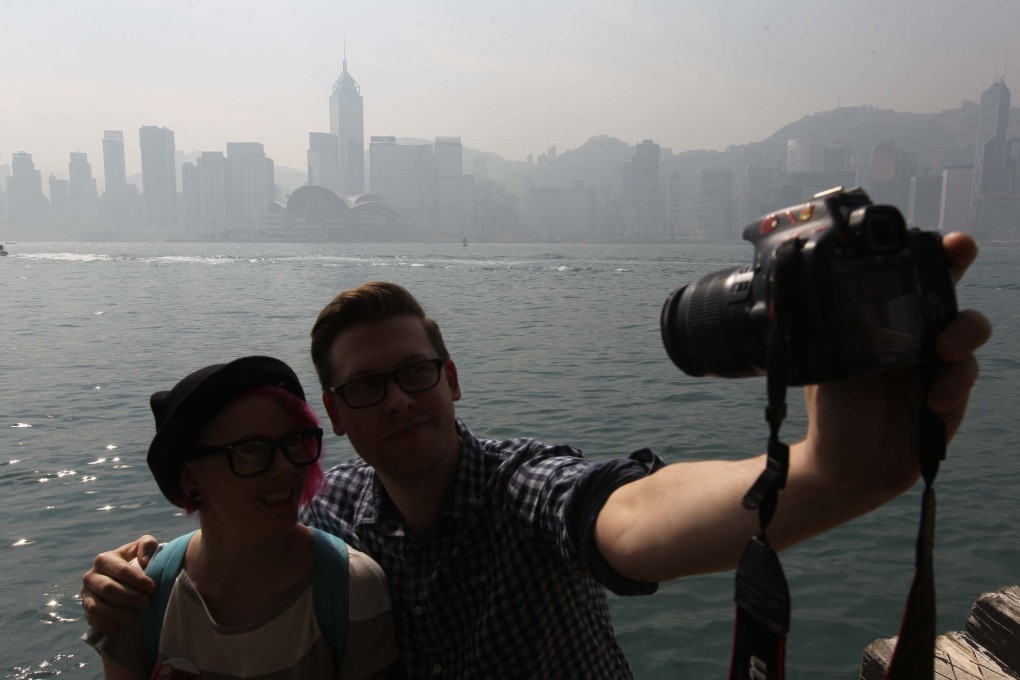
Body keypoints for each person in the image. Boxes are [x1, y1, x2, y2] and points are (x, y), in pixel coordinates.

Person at [82, 233, 992, 678]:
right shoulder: (336, 511)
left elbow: (626, 518)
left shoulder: (519, 485)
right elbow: (241, 529)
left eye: (416, 372)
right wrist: (130, 572)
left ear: (454, 380)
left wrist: (827, 471)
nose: (398, 398)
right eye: (366, 387)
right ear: (337, 418)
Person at [83, 356, 397, 679]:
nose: (286, 467)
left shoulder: (350, 590)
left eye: (293, 442)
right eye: (250, 450)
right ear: (191, 479)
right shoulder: (138, 595)